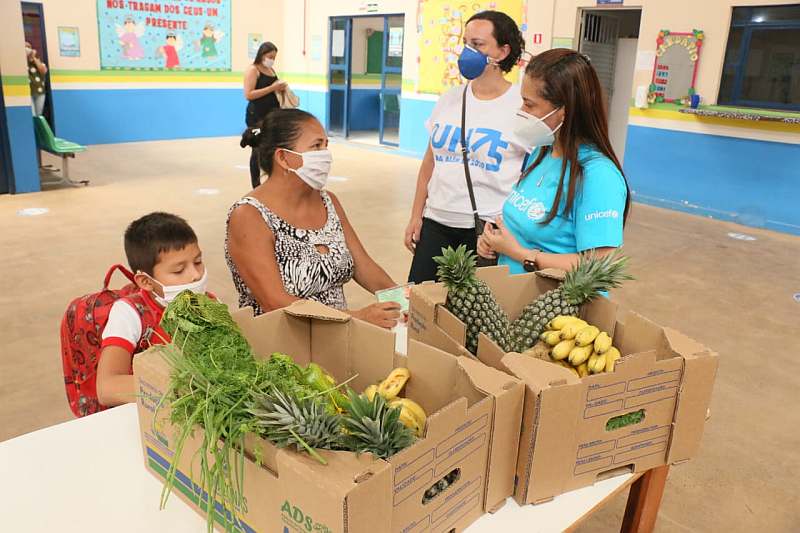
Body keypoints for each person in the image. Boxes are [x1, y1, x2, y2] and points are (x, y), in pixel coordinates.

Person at [226, 108, 401, 329]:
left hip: (337, 338)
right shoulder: (250, 216)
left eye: (326, 145)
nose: (326, 155)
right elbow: (275, 302)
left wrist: (403, 299)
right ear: (283, 157)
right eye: (316, 146)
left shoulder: (329, 202)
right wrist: (357, 317)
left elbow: (362, 265)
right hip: (282, 346)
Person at [477, 48, 631, 272]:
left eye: (529, 104)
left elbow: (600, 264)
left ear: (564, 112)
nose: (522, 111)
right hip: (513, 298)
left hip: (554, 303)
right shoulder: (542, 153)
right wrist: (494, 241)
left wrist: (521, 255)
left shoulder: (597, 175)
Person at [405, 10, 527, 284]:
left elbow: (530, 176)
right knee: (419, 303)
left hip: (484, 230)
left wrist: (508, 230)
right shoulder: (449, 99)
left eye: (478, 44)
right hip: (436, 221)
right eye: (466, 42)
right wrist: (417, 215)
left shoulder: (520, 106)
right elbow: (429, 163)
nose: (467, 51)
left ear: (503, 51)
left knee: (474, 317)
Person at [96, 212, 212, 407]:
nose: (195, 275)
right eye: (178, 270)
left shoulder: (210, 303)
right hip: (152, 413)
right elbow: (107, 387)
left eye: (198, 262)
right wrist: (184, 389)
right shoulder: (130, 314)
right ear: (145, 282)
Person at [243, 42, 288, 188]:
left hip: (272, 115)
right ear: (262, 55)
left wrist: (280, 89)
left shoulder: (271, 70)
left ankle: (271, 180)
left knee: (271, 149)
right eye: (269, 56)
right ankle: (256, 185)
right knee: (257, 149)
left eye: (274, 57)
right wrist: (272, 88)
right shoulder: (253, 70)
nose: (272, 59)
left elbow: (273, 90)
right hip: (256, 116)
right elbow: (248, 94)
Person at [25, 42, 48, 116]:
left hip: (40, 92)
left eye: (28, 47)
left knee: (38, 115)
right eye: (25, 47)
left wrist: (33, 57)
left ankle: (37, 127)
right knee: (32, 115)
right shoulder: (22, 62)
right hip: (28, 93)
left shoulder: (37, 60)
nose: (27, 49)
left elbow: (43, 71)